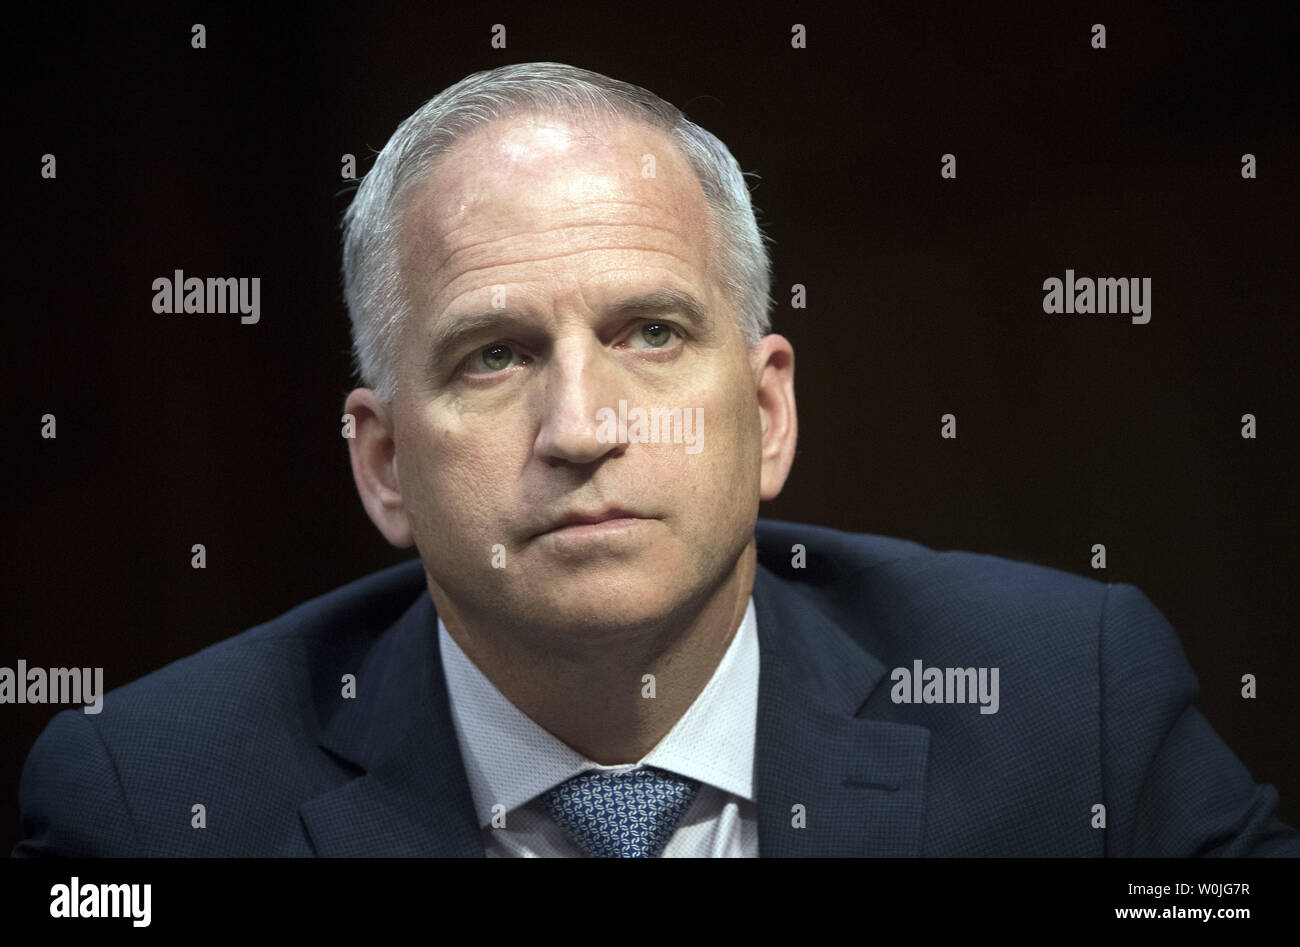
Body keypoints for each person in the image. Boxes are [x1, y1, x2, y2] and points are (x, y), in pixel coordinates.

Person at [14, 62, 1298, 857]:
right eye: (494, 356)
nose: (581, 427)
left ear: (768, 413)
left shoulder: (1063, 705)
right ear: (385, 464)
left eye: (651, 332)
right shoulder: (151, 802)